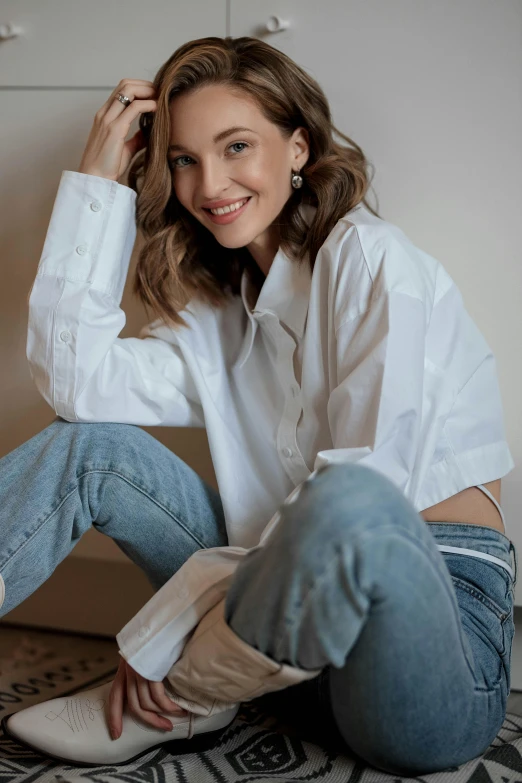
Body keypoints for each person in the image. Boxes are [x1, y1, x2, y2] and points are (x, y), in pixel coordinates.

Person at [0, 35, 516, 774]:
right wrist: (98, 181)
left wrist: (167, 638)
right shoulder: (221, 313)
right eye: (183, 159)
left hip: (434, 655)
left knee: (347, 503)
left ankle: (183, 693)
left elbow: (363, 501)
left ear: (298, 147)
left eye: (236, 145)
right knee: (92, 445)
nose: (210, 182)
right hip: (275, 644)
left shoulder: (373, 263)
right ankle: (204, 681)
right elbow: (75, 381)